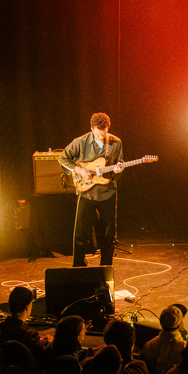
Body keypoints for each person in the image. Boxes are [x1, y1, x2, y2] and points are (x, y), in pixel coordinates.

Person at [58, 112, 124, 267]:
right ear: (92, 128)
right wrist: (79, 170)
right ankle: (78, 266)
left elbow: (119, 162)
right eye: (98, 132)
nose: (101, 135)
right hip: (86, 192)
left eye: (104, 132)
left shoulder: (116, 143)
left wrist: (118, 170)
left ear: (108, 128)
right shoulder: (80, 142)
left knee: (108, 234)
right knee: (80, 233)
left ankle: (106, 269)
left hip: (107, 192)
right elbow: (63, 158)